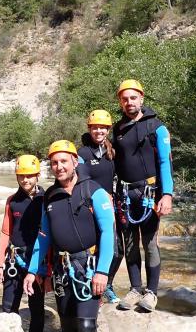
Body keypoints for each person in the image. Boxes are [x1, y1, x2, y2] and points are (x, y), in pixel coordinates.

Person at [23, 140, 116, 331]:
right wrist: (32, 271)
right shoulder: (50, 196)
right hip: (62, 270)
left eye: (64, 161)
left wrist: (102, 271)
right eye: (54, 163)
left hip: (88, 269)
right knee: (68, 326)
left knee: (86, 326)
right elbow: (44, 236)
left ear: (75, 162)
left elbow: (108, 231)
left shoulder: (93, 190)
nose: (59, 167)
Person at [112, 79, 174, 312]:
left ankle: (151, 293)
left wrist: (166, 194)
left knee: (149, 244)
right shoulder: (117, 129)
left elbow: (165, 163)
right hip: (125, 195)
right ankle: (135, 288)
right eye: (124, 99)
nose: (129, 102)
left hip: (149, 193)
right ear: (120, 101)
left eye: (133, 97)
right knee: (129, 245)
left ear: (142, 98)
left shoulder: (157, 127)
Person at [0, 155, 46, 332]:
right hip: (14, 260)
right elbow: (6, 233)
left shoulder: (46, 199)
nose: (25, 179)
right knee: (8, 307)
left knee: (37, 309)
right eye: (21, 176)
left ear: (38, 175)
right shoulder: (12, 201)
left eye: (29, 175)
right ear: (16, 176)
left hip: (37, 260)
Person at [77, 109, 123, 304]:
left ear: (108, 129)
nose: (99, 131)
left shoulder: (111, 152)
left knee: (117, 251)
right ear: (90, 129)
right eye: (95, 128)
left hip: (109, 207)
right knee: (94, 249)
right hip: (89, 206)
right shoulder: (82, 153)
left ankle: (107, 284)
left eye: (103, 128)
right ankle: (92, 284)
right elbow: (79, 180)